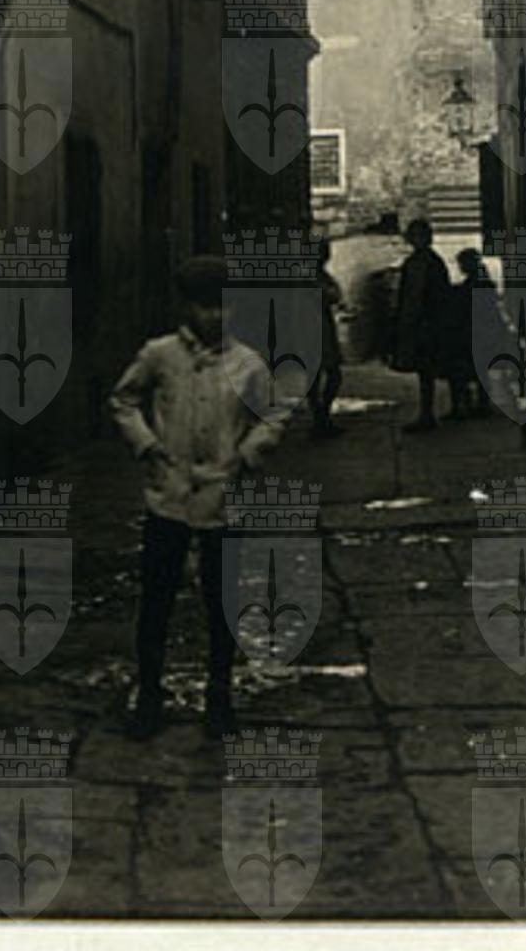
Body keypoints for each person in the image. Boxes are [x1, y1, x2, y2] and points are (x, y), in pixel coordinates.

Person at [109, 253, 287, 739]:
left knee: (221, 601)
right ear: (187, 307)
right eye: (205, 306)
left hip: (222, 497)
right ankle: (149, 694)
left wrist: (249, 453)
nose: (215, 315)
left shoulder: (247, 364)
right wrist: (147, 445)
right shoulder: (160, 355)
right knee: (157, 599)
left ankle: (219, 696)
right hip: (168, 494)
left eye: (224, 306)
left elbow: (273, 414)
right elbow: (123, 399)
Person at [385, 216, 453, 432]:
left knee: (426, 369)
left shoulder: (428, 263)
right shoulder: (421, 262)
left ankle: (427, 414)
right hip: (421, 322)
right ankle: (427, 412)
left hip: (426, 323)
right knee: (425, 370)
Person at [447, 247, 495, 420]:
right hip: (481, 330)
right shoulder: (483, 281)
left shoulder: (475, 283)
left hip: (472, 330)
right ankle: (481, 404)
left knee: (463, 369)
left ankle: (466, 405)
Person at [310, 237, 344, 436]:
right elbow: (332, 295)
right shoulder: (312, 276)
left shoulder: (319, 275)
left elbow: (335, 294)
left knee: (321, 375)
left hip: (320, 325)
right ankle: (320, 416)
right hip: (316, 327)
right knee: (329, 374)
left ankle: (321, 416)